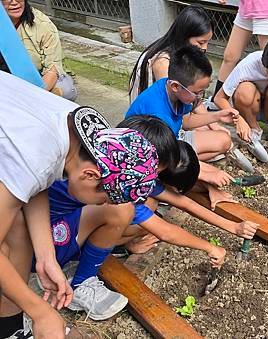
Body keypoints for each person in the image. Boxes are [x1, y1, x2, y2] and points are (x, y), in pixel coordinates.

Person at [0, 71, 159, 338]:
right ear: (90, 175)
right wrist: (40, 312)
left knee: (17, 226)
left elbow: (36, 184)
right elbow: (33, 167)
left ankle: (7, 328)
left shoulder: (81, 131)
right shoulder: (36, 154)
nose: (103, 204)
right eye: (105, 199)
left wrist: (47, 257)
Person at [117, 141, 259, 257]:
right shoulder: (132, 191)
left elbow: (187, 204)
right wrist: (211, 248)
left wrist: (234, 226)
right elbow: (166, 232)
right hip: (101, 226)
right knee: (148, 219)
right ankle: (117, 246)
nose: (178, 193)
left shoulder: (149, 166)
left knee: (150, 211)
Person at [126, 45, 238, 189]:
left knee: (223, 140)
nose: (199, 97)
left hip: (173, 142)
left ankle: (186, 166)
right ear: (175, 86)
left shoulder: (174, 90)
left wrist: (217, 116)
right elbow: (164, 156)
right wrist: (206, 174)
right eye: (197, 92)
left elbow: (186, 122)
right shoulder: (157, 114)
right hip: (151, 155)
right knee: (193, 179)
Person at [210, 0, 268, 128]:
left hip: (267, 9)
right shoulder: (249, 63)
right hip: (247, 8)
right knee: (230, 56)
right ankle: (217, 101)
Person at [129, 5, 213, 102]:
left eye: (208, 42)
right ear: (185, 36)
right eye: (201, 43)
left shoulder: (183, 53)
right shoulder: (163, 62)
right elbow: (172, 105)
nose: (205, 48)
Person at [2, 0, 77, 100]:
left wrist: (33, 96)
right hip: (5, 78)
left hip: (37, 78)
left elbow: (52, 70)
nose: (15, 2)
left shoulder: (42, 24)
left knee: (66, 90)